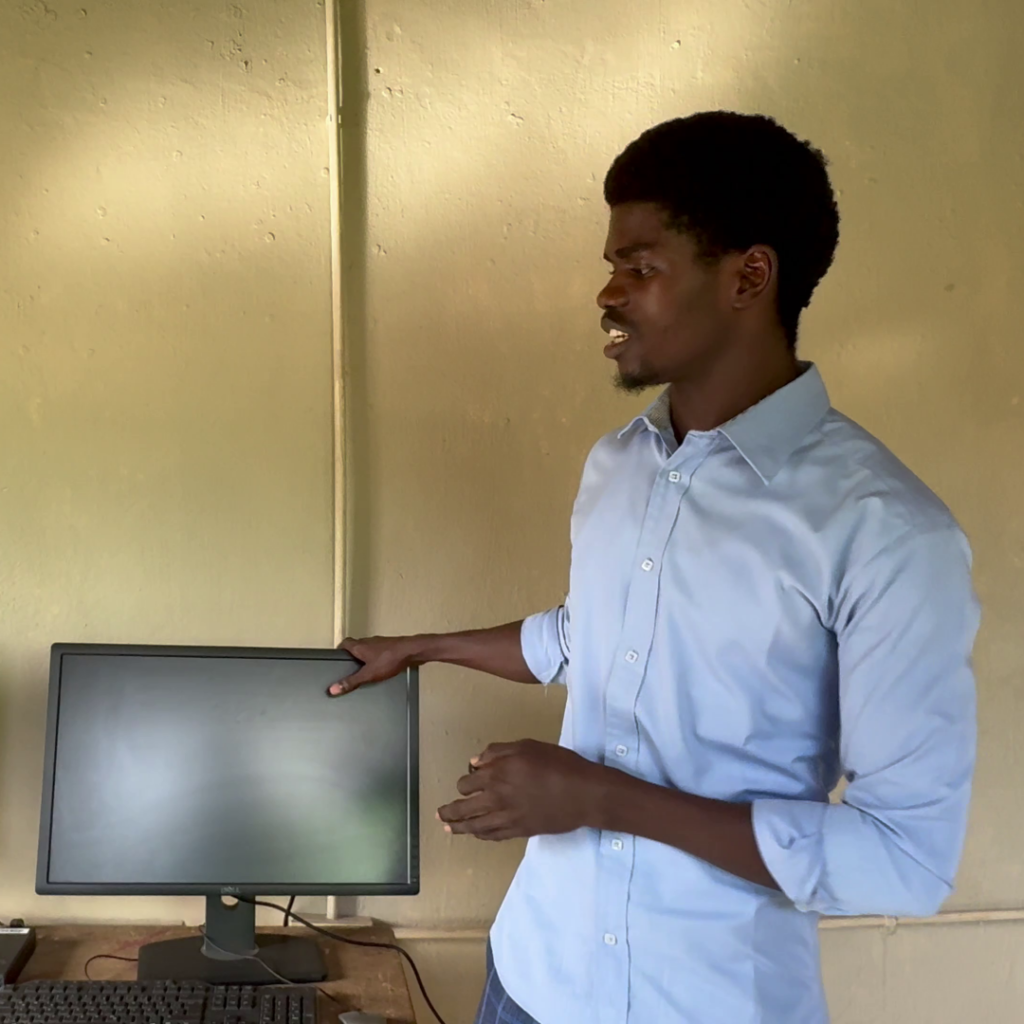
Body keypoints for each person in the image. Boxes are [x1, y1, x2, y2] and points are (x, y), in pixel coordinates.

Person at [328, 112, 980, 1024]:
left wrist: (595, 796)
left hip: (707, 1002)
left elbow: (902, 861)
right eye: (611, 266)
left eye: (640, 267)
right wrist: (425, 647)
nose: (607, 293)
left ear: (748, 276)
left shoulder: (886, 531)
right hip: (531, 980)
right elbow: (590, 636)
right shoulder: (619, 466)